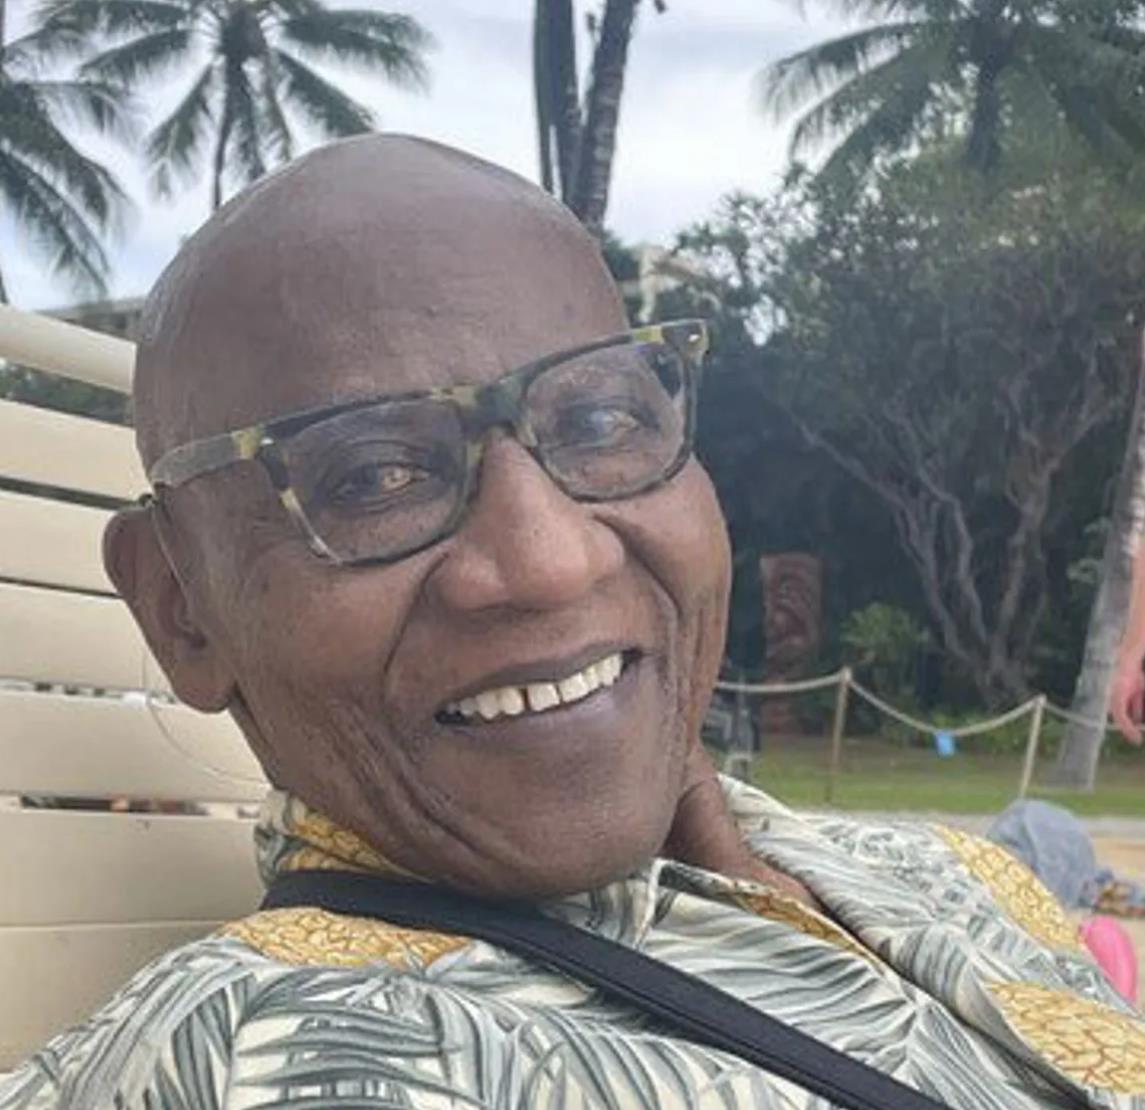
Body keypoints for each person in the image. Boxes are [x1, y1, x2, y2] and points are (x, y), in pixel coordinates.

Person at [2, 135, 1143, 1109]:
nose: (549, 561)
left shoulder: (923, 867)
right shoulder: (311, 1050)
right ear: (179, 608)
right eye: (370, 478)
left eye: (599, 417)